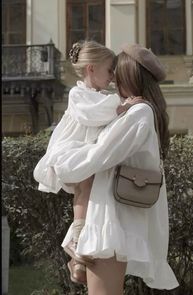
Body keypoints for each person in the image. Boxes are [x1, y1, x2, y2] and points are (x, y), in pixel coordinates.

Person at [53, 44, 179, 295]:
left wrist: (62, 163)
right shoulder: (131, 112)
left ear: (129, 75)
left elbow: (98, 156)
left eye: (116, 73)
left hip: (111, 225)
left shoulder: (139, 113)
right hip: (106, 222)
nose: (113, 80)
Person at [33, 40, 143, 284]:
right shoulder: (78, 93)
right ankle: (76, 240)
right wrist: (122, 106)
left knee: (88, 193)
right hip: (72, 150)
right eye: (109, 70)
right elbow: (94, 114)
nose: (113, 77)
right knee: (85, 189)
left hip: (83, 151)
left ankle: (77, 257)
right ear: (91, 68)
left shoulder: (98, 95)